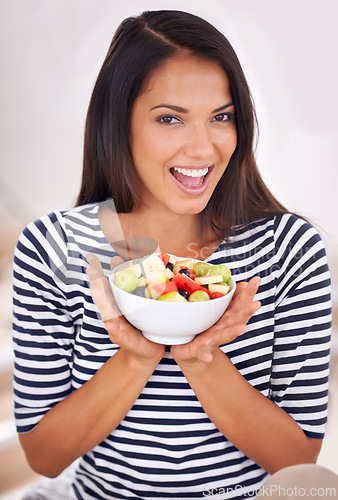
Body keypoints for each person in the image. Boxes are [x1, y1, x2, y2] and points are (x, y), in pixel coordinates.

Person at [12, 10, 332, 500]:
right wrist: (135, 357)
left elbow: (298, 461)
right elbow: (44, 456)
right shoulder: (54, 248)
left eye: (221, 118)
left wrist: (201, 357)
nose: (203, 147)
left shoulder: (290, 250)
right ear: (120, 125)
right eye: (170, 119)